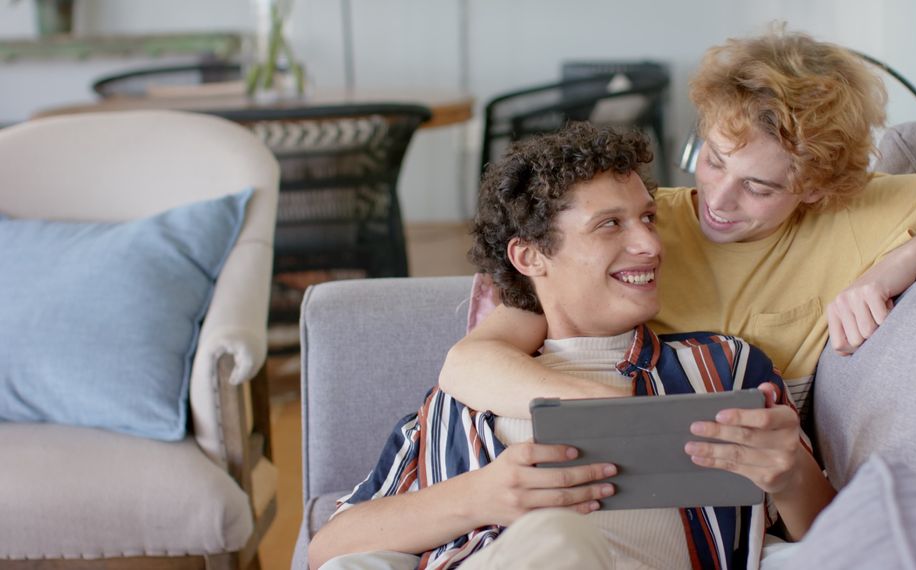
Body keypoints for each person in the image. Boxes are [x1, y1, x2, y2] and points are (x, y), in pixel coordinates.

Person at [438, 26, 916, 421]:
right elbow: (471, 363)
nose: (718, 197)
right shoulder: (637, 234)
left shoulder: (854, 216)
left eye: (760, 186)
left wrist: (897, 265)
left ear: (817, 188)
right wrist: (635, 422)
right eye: (712, 160)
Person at [308, 123, 832, 570]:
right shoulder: (458, 400)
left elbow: (838, 537)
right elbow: (329, 546)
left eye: (648, 218)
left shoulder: (722, 368)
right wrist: (480, 497)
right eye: (609, 225)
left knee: (562, 541)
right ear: (531, 256)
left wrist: (791, 476)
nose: (650, 245)